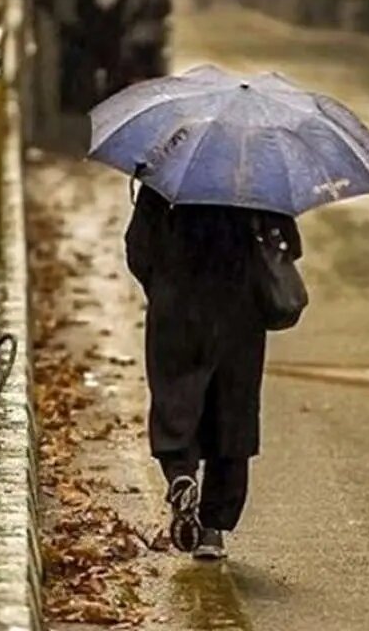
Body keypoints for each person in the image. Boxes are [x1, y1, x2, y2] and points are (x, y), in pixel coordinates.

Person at [124, 182, 302, 560]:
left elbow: (138, 248)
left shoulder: (167, 176)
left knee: (176, 400)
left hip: (177, 305)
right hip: (239, 311)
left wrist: (163, 287)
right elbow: (287, 246)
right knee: (232, 413)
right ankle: (212, 529)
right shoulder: (260, 176)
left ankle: (180, 475)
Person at [121, 0, 172, 84]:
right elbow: (167, 6)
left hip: (140, 31)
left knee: (139, 67)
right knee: (154, 66)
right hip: (158, 30)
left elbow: (133, 4)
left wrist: (125, 20)